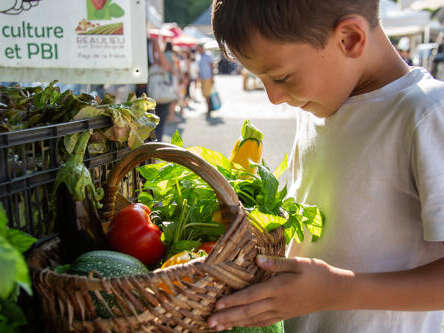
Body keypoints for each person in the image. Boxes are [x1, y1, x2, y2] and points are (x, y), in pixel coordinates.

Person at [208, 1, 444, 333]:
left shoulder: (426, 115)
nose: (273, 97)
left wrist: (336, 291)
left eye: (281, 77)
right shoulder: (318, 107)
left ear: (349, 39)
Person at [196, 43, 215, 117]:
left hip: (208, 77)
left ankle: (209, 109)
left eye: (198, 48)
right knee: (204, 94)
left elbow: (212, 66)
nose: (198, 50)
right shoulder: (198, 56)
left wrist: (212, 77)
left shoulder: (208, 55)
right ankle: (209, 108)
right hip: (202, 78)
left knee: (207, 94)